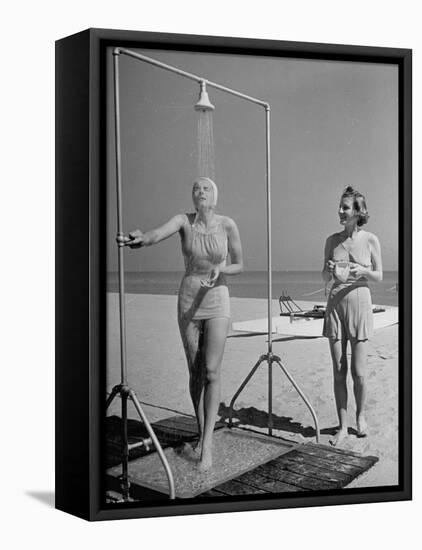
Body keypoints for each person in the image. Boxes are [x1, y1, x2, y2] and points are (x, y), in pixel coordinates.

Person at [125, 177, 243, 470]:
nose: (200, 192)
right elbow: (157, 233)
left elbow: (240, 263)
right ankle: (202, 431)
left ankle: (208, 447)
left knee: (213, 371)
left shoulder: (228, 224)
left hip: (218, 299)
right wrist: (141, 238)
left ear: (215, 196)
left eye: (205, 188)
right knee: (196, 372)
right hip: (189, 300)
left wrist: (221, 267)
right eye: (195, 188)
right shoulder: (183, 221)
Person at [322, 186, 382, 446]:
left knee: (358, 372)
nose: (340, 211)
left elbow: (379, 276)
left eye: (345, 207)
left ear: (358, 212)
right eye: (340, 206)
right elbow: (324, 278)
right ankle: (343, 426)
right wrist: (329, 269)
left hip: (360, 303)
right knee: (338, 370)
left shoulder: (370, 239)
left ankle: (361, 417)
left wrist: (362, 270)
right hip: (335, 304)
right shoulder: (331, 241)